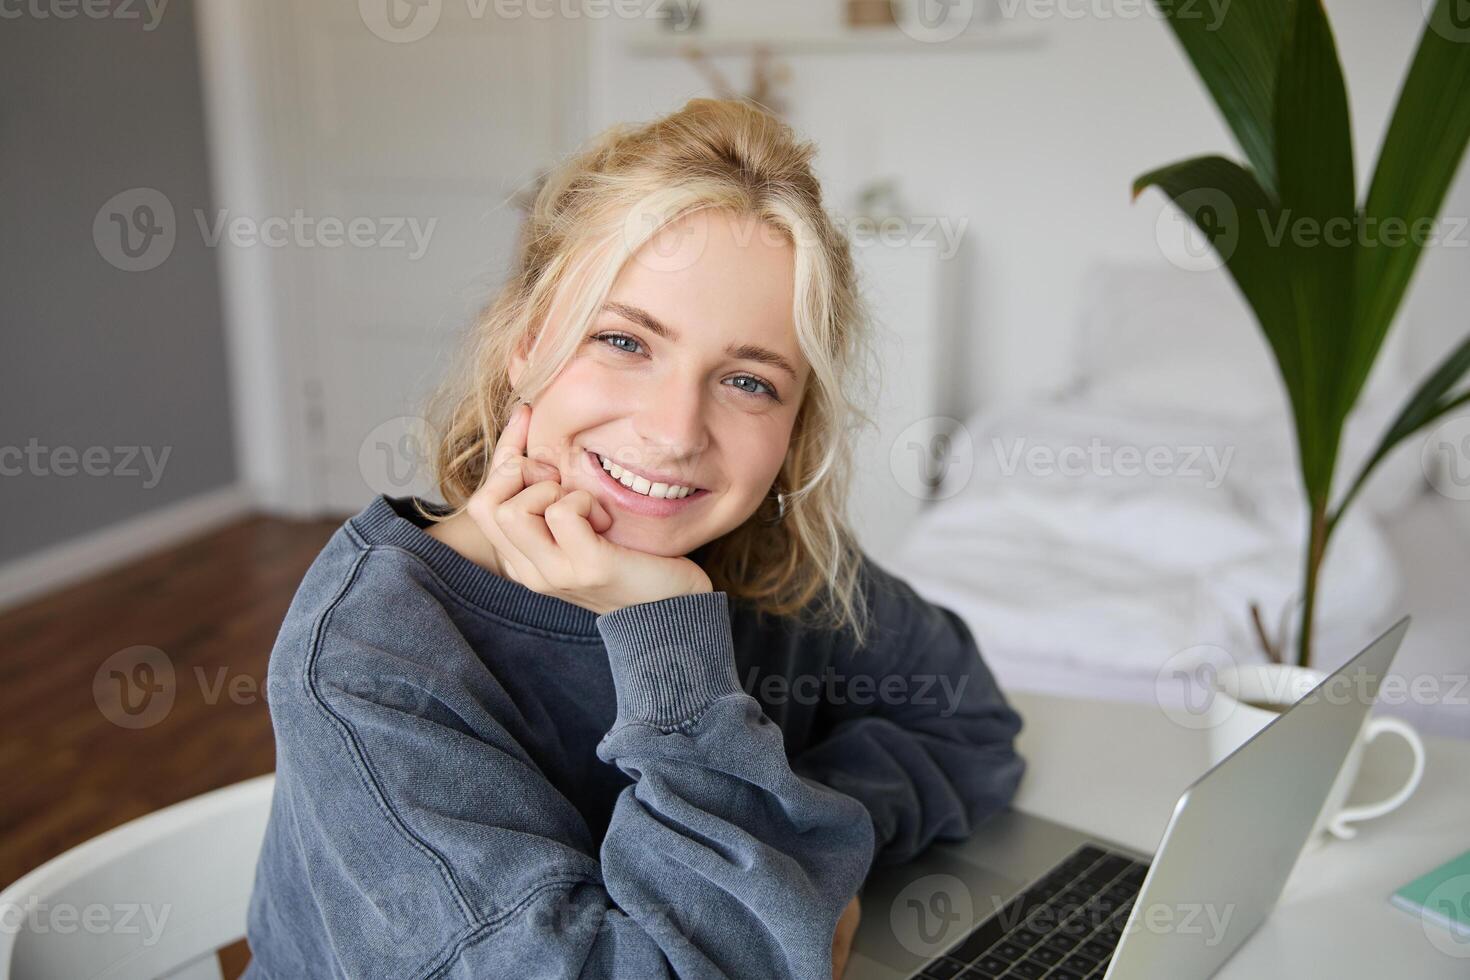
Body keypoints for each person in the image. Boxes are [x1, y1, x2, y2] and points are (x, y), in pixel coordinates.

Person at [242, 97, 1025, 979]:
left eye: (749, 381)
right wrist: (671, 641)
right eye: (624, 340)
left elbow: (966, 724)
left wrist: (798, 859)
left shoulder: (773, 560)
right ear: (528, 342)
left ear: (797, 422)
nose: (675, 429)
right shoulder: (371, 660)